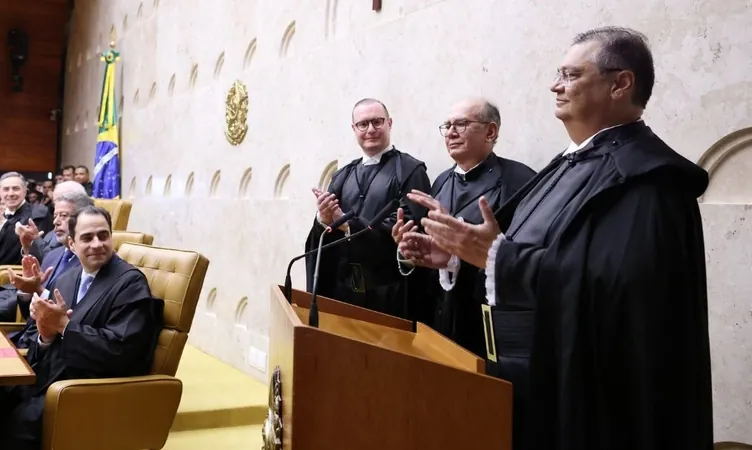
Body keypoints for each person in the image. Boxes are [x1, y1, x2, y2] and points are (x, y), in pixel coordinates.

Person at [406, 27, 713, 450]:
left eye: (570, 75)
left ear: (620, 84)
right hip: (534, 379)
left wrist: (497, 258)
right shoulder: (568, 165)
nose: (555, 85)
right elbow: (525, 250)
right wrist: (458, 256)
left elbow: (624, 290)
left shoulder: (648, 179)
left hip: (591, 400)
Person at [0, 206, 163, 450]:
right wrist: (45, 335)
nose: (97, 244)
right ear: (72, 244)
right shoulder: (68, 277)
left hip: (80, 390)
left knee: (6, 427)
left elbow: (122, 351)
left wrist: (63, 326)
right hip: (43, 373)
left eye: (103, 235)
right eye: (87, 238)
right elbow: (37, 332)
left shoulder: (129, 283)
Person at [393, 98, 535, 356]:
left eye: (461, 124)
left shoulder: (519, 180)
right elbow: (432, 254)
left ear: (490, 132)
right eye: (447, 126)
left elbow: (524, 259)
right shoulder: (440, 182)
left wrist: (459, 241)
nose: (450, 132)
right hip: (440, 317)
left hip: (484, 319)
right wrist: (409, 252)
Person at [305, 98, 431, 320]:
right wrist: (324, 221)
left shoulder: (410, 171)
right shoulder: (342, 176)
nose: (371, 129)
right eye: (363, 124)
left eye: (377, 122)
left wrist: (347, 224)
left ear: (389, 123)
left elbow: (408, 226)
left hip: (389, 293)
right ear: (354, 129)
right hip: (344, 292)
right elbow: (327, 235)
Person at [0, 191, 92, 322]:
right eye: (55, 215)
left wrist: (35, 289)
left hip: (52, 322)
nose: (56, 221)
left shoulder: (88, 261)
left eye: (64, 215)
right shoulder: (58, 251)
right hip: (32, 310)